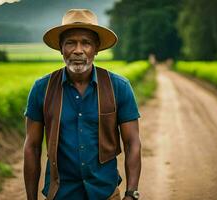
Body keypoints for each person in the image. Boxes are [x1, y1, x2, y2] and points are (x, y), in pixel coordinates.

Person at [23, 9, 141, 200]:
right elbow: (32, 147)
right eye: (70, 43)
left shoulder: (119, 87)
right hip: (61, 194)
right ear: (61, 48)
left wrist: (131, 193)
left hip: (106, 193)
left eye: (86, 43)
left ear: (96, 48)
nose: (78, 50)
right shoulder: (41, 89)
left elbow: (132, 143)